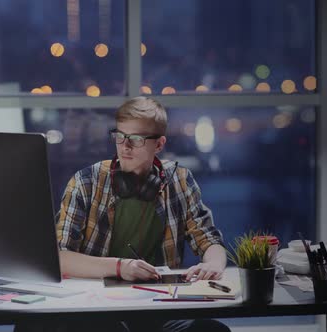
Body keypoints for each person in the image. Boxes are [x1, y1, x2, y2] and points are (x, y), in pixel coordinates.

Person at [55, 96, 230, 332]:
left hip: (156, 307)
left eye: (136, 139)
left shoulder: (179, 180)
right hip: (96, 308)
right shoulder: (86, 181)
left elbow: (209, 239)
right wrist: (120, 267)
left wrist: (214, 264)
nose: (125, 146)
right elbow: (61, 256)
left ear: (159, 144)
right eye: (120, 136)